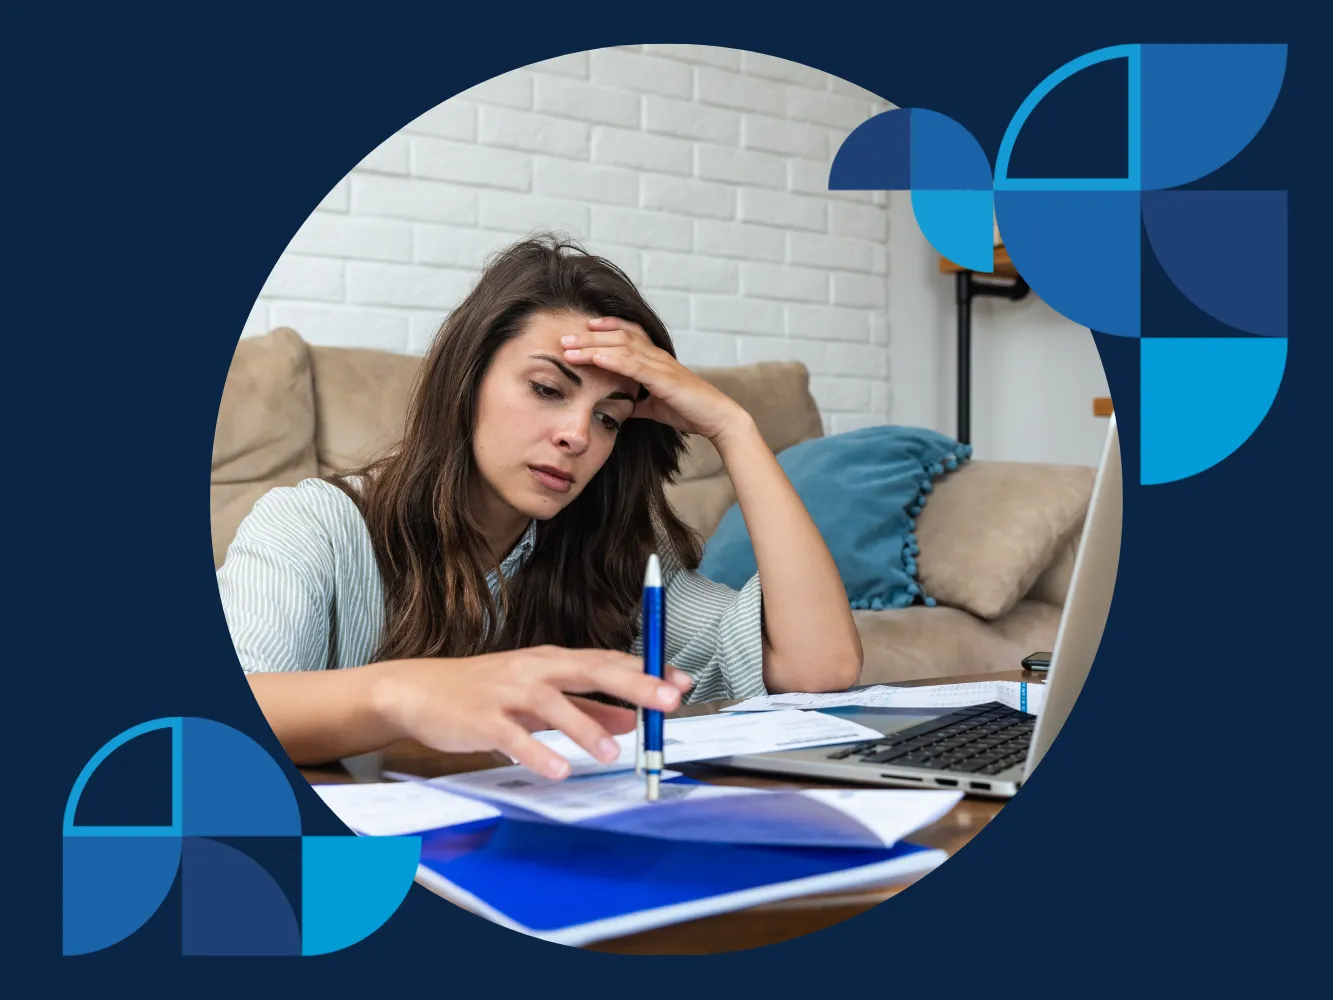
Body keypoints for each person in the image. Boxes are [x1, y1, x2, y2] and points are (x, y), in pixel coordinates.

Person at [218, 234, 862, 777]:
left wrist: (732, 426)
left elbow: (822, 666)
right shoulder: (311, 524)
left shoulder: (612, 559)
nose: (578, 436)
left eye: (609, 419)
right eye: (548, 389)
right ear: (466, 381)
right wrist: (404, 693)